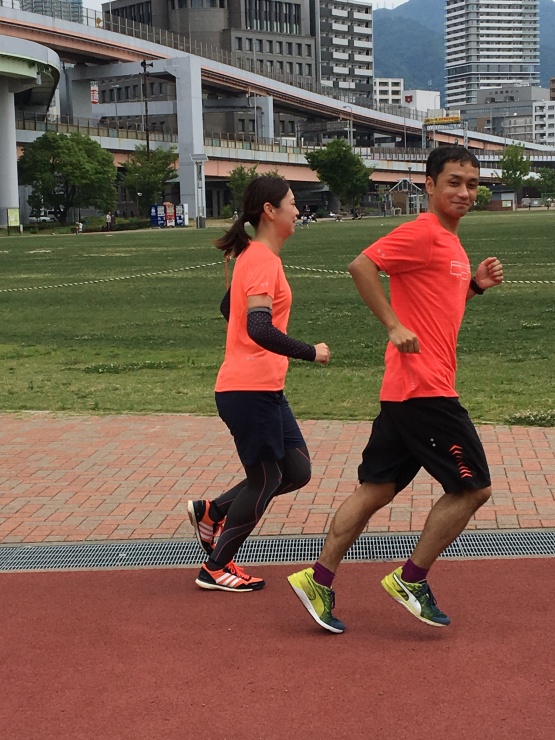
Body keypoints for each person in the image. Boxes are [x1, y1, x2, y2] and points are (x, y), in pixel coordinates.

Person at [288, 146, 504, 633]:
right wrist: (392, 324)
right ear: (430, 185)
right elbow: (361, 265)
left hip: (405, 389)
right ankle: (411, 579)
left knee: (377, 488)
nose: (464, 192)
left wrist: (474, 287)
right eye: (454, 182)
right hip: (425, 389)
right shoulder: (423, 232)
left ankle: (317, 579)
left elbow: (438, 306)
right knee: (474, 489)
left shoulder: (451, 243)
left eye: (472, 184)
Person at [187, 175, 331, 592]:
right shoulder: (262, 260)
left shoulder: (254, 256)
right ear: (270, 210)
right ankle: (216, 567)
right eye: (292, 203)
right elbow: (258, 327)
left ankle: (214, 512)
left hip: (262, 388)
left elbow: (228, 307)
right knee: (265, 480)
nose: (298, 211)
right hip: (248, 391)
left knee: (296, 470)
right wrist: (310, 351)